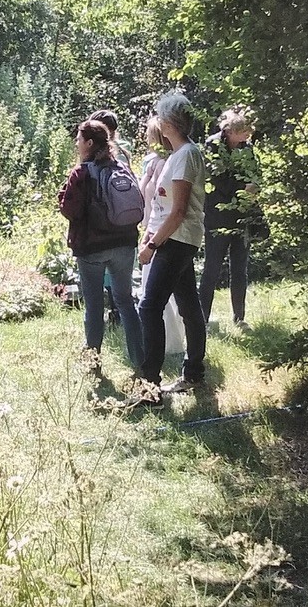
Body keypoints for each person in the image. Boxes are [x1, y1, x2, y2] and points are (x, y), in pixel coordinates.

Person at [136, 91, 208, 401]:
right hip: (174, 238)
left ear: (168, 124)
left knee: (149, 306)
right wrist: (148, 233)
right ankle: (193, 374)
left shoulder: (187, 155)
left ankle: (150, 388)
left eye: (159, 118)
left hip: (176, 240)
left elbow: (178, 212)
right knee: (189, 307)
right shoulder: (177, 155)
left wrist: (152, 244)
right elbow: (164, 208)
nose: (157, 122)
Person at [58, 119, 143, 371]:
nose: (76, 142)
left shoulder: (81, 173)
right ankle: (140, 360)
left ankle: (93, 364)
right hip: (125, 245)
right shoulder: (121, 166)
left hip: (92, 248)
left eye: (79, 138)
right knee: (126, 302)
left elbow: (70, 210)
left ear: (90, 143)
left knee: (94, 306)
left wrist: (62, 195)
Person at [198, 107, 260, 328]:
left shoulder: (247, 148)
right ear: (232, 131)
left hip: (242, 214)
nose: (248, 136)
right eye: (244, 132)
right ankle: (201, 318)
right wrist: (244, 186)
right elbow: (218, 180)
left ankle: (239, 317)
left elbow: (255, 171)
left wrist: (253, 187)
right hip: (218, 215)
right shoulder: (213, 145)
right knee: (212, 268)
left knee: (240, 267)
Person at [138, 115, 185, 355]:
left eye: (149, 133)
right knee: (155, 290)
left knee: (154, 294)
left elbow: (163, 203)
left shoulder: (166, 164)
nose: (146, 137)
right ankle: (164, 343)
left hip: (160, 233)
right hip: (150, 229)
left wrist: (152, 237)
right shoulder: (150, 162)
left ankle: (168, 345)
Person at [88, 109, 131, 325]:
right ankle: (117, 312)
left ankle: (115, 312)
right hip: (124, 217)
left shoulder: (105, 154)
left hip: (105, 219)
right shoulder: (125, 151)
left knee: (107, 269)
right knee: (118, 271)